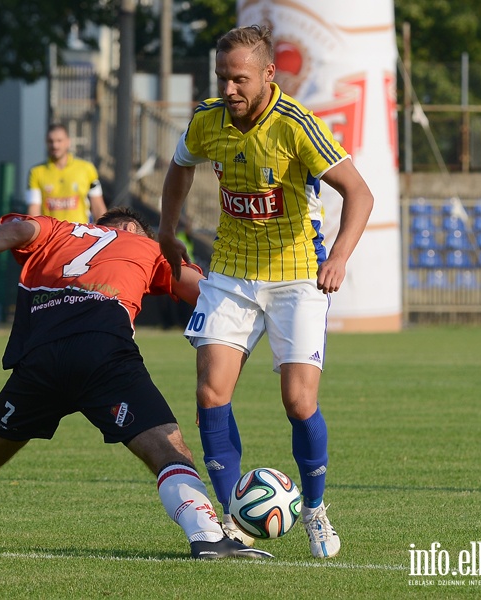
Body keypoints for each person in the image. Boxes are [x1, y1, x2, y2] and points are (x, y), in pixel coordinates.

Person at [0, 207, 272, 560]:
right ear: (133, 229)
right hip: (102, 345)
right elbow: (203, 292)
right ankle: (206, 536)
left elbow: (18, 230)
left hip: (42, 354)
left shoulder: (58, 229)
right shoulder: (149, 247)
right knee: (168, 450)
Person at [157, 25, 375, 559]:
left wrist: (340, 258)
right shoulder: (208, 120)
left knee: (299, 402)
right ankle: (234, 516)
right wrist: (166, 231)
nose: (229, 89)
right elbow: (178, 169)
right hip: (230, 274)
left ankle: (316, 511)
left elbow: (360, 194)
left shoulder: (297, 125)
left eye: (240, 79)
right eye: (222, 78)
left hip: (299, 276)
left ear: (268, 75)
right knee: (211, 394)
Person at [26, 124, 107, 223]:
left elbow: (98, 205)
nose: (55, 145)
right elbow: (34, 209)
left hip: (80, 233)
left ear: (68, 142)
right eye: (50, 141)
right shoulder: (36, 172)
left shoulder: (87, 169)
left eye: (59, 141)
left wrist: (105, 231)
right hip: (52, 235)